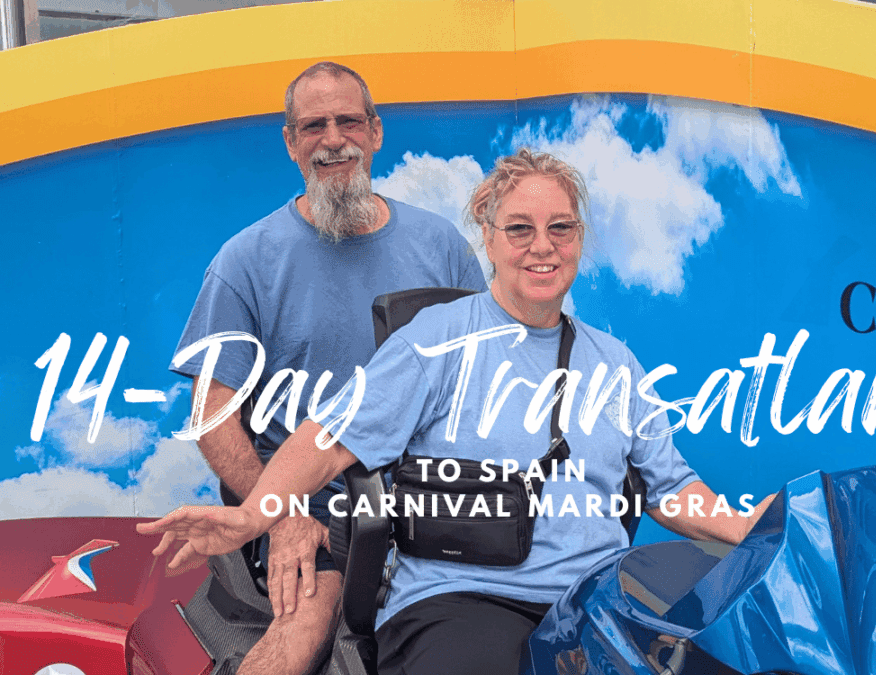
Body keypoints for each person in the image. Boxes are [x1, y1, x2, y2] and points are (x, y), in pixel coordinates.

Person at [146, 149, 773, 675]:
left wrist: (746, 528)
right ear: (489, 238)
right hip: (464, 598)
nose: (542, 247)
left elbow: (670, 486)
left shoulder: (616, 364)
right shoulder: (435, 340)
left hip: (594, 603)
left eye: (561, 228)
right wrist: (257, 513)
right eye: (520, 228)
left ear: (580, 238)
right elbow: (329, 441)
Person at [169, 61, 486, 675]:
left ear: (375, 132)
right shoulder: (244, 262)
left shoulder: (442, 245)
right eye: (314, 125)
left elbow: (485, 378)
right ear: (291, 143)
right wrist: (279, 510)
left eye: (347, 121)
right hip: (316, 504)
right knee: (309, 618)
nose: (333, 139)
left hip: (434, 500)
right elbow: (212, 417)